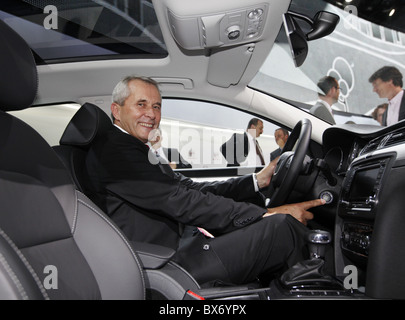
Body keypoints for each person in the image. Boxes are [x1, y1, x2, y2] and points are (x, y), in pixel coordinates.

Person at [85, 75, 325, 285]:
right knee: (282, 229)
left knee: (273, 225)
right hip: (168, 262)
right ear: (116, 111)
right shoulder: (114, 151)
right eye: (141, 104)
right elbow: (182, 200)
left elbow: (192, 189)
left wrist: (257, 181)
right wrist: (268, 214)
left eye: (157, 106)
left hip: (182, 243)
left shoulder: (136, 149)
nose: (152, 114)